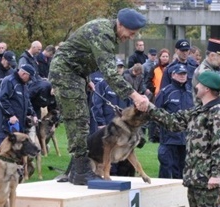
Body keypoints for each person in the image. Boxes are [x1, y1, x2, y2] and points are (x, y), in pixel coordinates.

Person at [48, 8, 149, 185]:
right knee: (78, 120)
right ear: (121, 25)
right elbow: (110, 73)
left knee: (81, 121)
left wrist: (86, 77)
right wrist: (135, 95)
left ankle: (75, 170)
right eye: (131, 33)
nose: (131, 37)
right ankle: (81, 171)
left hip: (76, 73)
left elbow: (82, 54)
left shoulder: (109, 32)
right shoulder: (103, 34)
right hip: (66, 73)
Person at [148, 71, 220, 207]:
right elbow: (173, 122)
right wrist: (149, 107)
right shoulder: (198, 110)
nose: (196, 86)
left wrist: (215, 174)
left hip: (208, 180)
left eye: (200, 84)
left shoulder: (218, 112)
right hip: (194, 178)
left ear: (207, 89)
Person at [154, 64, 193, 179]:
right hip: (169, 139)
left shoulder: (190, 93)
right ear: (173, 75)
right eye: (179, 74)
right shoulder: (165, 92)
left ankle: (180, 195)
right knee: (166, 168)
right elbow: (155, 113)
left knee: (183, 170)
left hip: (186, 139)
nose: (182, 76)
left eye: (184, 74)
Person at [0, 64, 37, 146]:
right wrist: (11, 115)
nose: (29, 80)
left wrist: (33, 114)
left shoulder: (24, 85)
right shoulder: (9, 81)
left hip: (20, 125)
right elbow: (1, 99)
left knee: (17, 151)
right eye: (29, 77)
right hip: (6, 125)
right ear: (23, 74)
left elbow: (27, 101)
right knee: (4, 151)